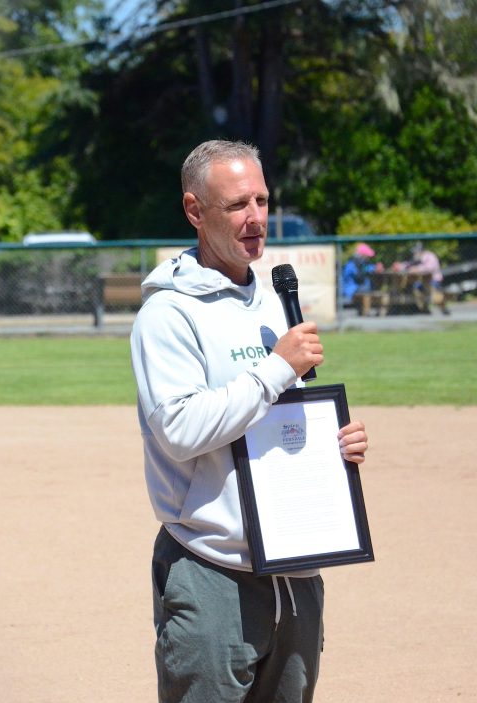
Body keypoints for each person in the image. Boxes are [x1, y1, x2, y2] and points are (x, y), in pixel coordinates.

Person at [130, 140, 369, 703]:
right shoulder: (168, 314)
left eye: (262, 200)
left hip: (297, 567)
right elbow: (181, 430)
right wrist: (273, 371)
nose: (256, 217)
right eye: (237, 204)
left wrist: (337, 447)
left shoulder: (273, 303)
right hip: (214, 570)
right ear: (195, 211)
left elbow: (280, 419)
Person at [404, 240, 450, 314]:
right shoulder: (417, 258)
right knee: (415, 288)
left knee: (433, 294)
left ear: (421, 250)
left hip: (434, 280)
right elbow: (408, 265)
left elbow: (430, 268)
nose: (414, 253)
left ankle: (443, 308)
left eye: (416, 251)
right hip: (422, 281)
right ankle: (424, 309)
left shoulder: (430, 256)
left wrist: (417, 269)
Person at [341, 242, 378, 306]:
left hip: (357, 288)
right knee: (368, 284)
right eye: (367, 256)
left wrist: (374, 268)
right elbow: (359, 275)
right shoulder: (352, 264)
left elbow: (366, 268)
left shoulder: (360, 264)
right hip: (351, 291)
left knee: (368, 283)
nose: (368, 258)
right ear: (362, 255)